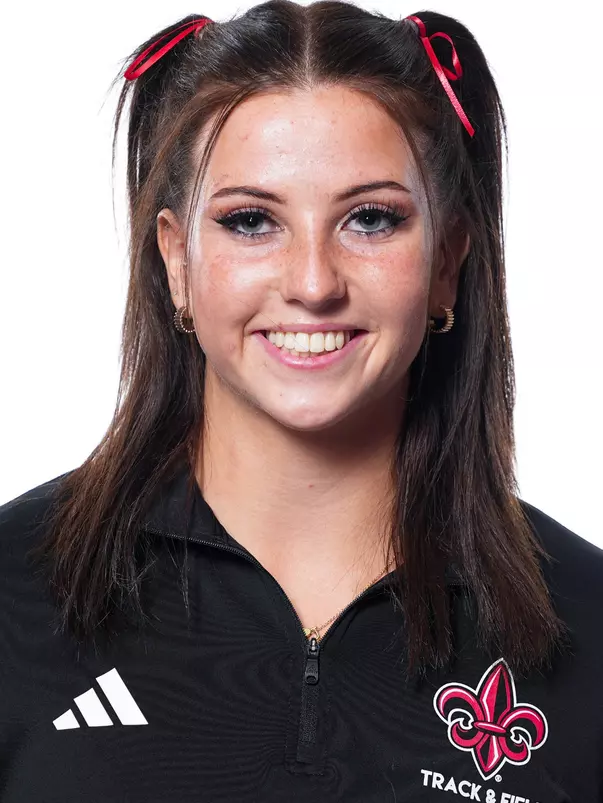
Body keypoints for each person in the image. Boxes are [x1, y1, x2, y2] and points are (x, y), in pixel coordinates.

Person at [1, 1, 601, 801]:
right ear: (176, 260)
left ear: (448, 262)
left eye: (370, 219)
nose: (312, 283)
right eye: (251, 221)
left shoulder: (588, 626)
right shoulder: (12, 593)